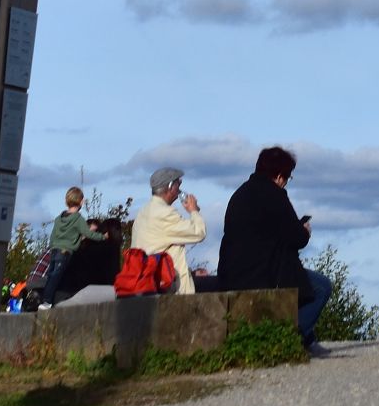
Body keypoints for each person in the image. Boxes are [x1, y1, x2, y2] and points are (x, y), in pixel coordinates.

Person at [217, 145, 334, 354]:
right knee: (321, 287)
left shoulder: (240, 193)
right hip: (263, 273)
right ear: (280, 176)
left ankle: (305, 339)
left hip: (231, 271)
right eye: (288, 177)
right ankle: (296, 338)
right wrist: (304, 231)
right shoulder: (275, 196)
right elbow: (296, 238)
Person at [130, 166, 206, 295]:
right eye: (178, 184)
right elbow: (198, 232)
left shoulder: (143, 212)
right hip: (168, 288)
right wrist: (194, 211)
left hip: (147, 283)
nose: (180, 188)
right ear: (170, 187)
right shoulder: (165, 214)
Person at [38, 186, 104, 309]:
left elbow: (53, 235)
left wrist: (53, 245)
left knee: (51, 275)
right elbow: (88, 233)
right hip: (65, 251)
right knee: (57, 276)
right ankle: (47, 302)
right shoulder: (78, 219)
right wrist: (102, 237)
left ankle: (45, 299)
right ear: (80, 201)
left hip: (55, 249)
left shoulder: (59, 218)